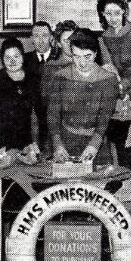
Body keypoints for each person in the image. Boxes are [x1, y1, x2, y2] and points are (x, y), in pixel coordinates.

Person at [47, 28, 119, 165]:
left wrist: (95, 144)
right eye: (76, 56)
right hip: (66, 142)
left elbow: (105, 116)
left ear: (96, 53)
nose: (82, 63)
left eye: (87, 56)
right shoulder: (60, 77)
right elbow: (53, 114)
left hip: (98, 143)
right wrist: (57, 144)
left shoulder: (108, 79)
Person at [0, 38, 40, 156]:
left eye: (16, 57)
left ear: (22, 57)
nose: (12, 61)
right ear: (2, 59)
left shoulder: (34, 79)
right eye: (8, 58)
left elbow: (40, 113)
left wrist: (36, 143)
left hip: (28, 143)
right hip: (1, 144)